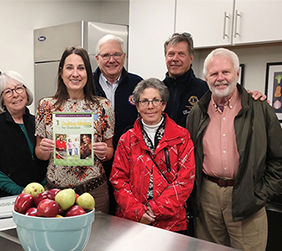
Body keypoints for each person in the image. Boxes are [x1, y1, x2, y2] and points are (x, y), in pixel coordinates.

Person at [186, 48, 282, 251]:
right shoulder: (197, 112)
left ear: (237, 73)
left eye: (226, 72)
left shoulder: (260, 109)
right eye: (214, 74)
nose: (220, 78)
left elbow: (279, 160)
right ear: (206, 78)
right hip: (208, 196)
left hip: (247, 196)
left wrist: (260, 194)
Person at [35, 46, 114, 213]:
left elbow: (109, 152)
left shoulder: (103, 106)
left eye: (81, 68)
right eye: (69, 67)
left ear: (88, 73)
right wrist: (43, 149)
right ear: (61, 72)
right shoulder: (46, 106)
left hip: (93, 191)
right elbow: (40, 154)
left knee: (97, 237)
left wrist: (103, 151)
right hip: (56, 193)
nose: (75, 74)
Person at [110, 78, 195, 233]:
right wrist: (138, 212)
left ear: (164, 104)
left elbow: (185, 181)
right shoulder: (127, 140)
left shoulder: (181, 137)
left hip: (172, 223)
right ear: (136, 106)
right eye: (144, 101)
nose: (150, 106)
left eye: (156, 100)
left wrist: (155, 209)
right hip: (133, 221)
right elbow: (118, 180)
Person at [162, 32, 266, 129]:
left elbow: (234, 100)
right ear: (165, 57)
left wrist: (252, 99)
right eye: (171, 54)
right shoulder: (157, 92)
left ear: (191, 58)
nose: (175, 59)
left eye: (181, 54)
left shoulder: (207, 90)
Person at [93, 34, 143, 215]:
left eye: (116, 54)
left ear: (124, 57)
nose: (111, 60)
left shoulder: (138, 85)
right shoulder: (87, 86)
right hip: (94, 165)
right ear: (97, 58)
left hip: (131, 165)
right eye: (106, 55)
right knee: (100, 216)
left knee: (126, 215)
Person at [0, 71, 47, 199]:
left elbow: (49, 160)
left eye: (19, 88)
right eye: (8, 92)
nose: (15, 94)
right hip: (6, 198)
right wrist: (19, 191)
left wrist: (43, 187)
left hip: (40, 195)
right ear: (2, 100)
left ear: (26, 92)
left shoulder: (38, 121)